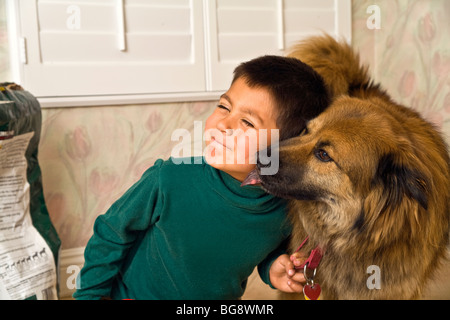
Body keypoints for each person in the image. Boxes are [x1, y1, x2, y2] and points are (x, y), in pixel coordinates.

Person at [73, 55, 330, 300]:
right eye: (223, 107)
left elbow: (263, 247)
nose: (223, 124)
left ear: (286, 148)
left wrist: (273, 267)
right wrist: (90, 295)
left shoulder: (286, 209)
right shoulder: (171, 178)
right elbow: (111, 230)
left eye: (247, 123)